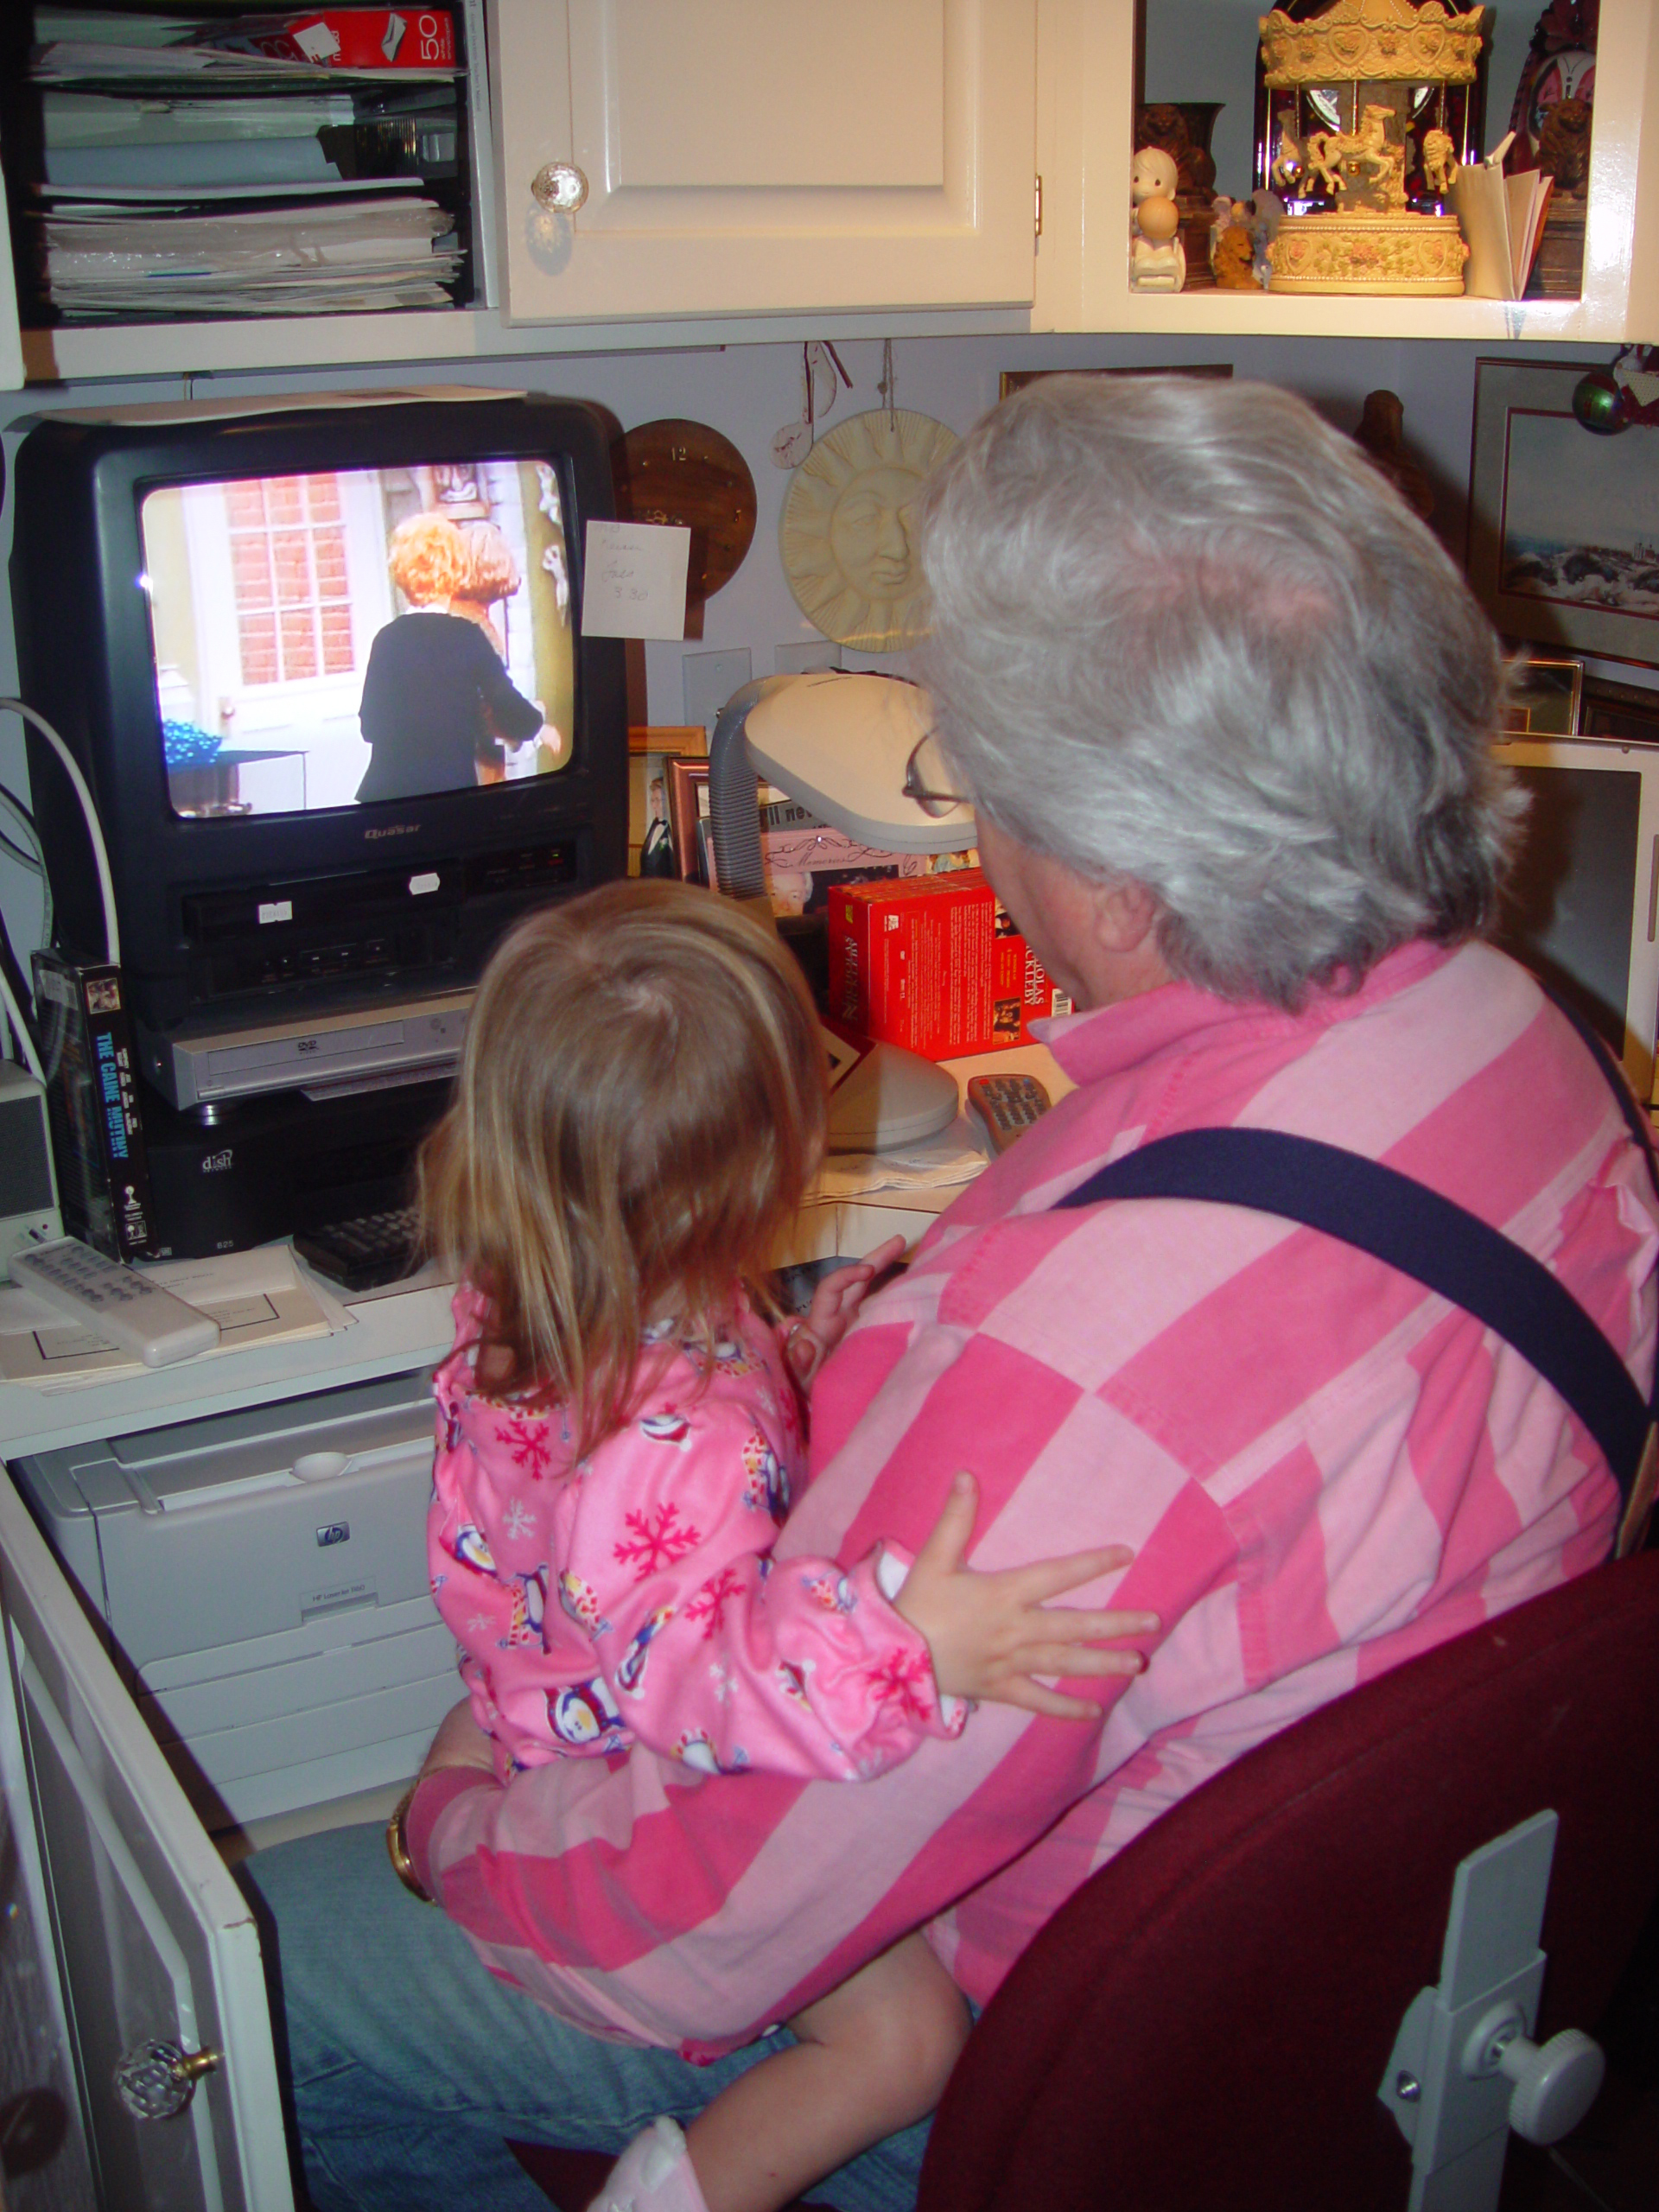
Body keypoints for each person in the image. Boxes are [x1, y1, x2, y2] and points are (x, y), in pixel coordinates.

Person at [247, 374, 1659, 2212]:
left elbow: (715, 1926)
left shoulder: (1082, 1363)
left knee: (244, 1961)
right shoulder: (1515, 1040)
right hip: (1357, 2006)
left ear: (1129, 885)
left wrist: (453, 1830)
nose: (972, 816)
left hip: (1043, 2048)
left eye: (976, 777)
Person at [384, 878, 1150, 2212]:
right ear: (772, 1161)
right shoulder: (673, 1432)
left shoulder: (562, 1285)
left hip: (546, 1688)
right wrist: (913, 1649)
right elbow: (700, 1695)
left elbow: (632, 1510)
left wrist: (794, 1355)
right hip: (627, 1780)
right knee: (908, 2043)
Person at [356, 511, 543, 802]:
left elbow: (370, 725)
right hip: (451, 799)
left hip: (385, 800)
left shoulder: (386, 639)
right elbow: (509, 708)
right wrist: (538, 723)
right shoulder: (468, 636)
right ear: (455, 571)